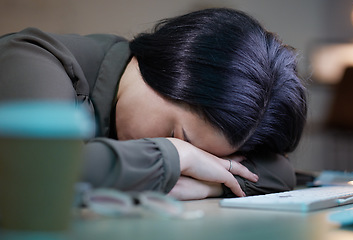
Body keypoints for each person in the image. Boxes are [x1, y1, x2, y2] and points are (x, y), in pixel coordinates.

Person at [0, 8, 307, 200]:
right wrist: (174, 155)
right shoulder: (34, 57)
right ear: (172, 70)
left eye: (203, 157)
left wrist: (213, 185)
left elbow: (279, 171)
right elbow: (40, 172)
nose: (191, 158)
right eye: (179, 136)